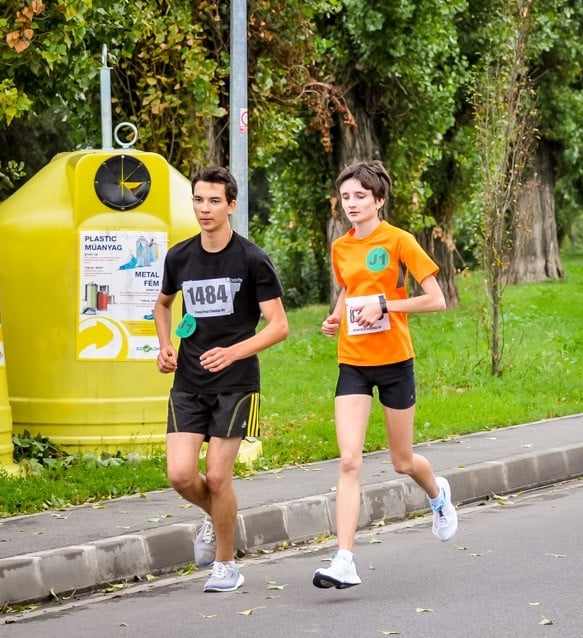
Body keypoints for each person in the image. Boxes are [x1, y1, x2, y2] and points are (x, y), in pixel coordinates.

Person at [314, 160, 456, 590]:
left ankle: (438, 495)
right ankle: (344, 560)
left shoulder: (399, 241)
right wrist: (336, 315)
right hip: (353, 361)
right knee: (350, 459)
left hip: (395, 362)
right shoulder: (341, 247)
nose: (352, 204)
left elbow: (437, 300)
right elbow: (348, 287)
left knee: (401, 461)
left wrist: (388, 306)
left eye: (360, 196)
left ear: (379, 200)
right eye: (346, 197)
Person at [153, 166, 289, 593]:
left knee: (217, 478)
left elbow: (278, 325)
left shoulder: (251, 259)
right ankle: (219, 515)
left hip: (236, 384)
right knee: (179, 475)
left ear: (231, 205)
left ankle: (226, 564)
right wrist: (164, 346)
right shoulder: (179, 257)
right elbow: (162, 305)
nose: (205, 208)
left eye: (214, 200)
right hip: (189, 382)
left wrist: (233, 351)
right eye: (198, 199)